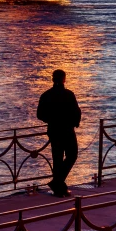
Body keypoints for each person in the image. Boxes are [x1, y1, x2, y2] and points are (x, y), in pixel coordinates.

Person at [36, 69, 81, 197]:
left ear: (52, 79)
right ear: (64, 79)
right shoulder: (69, 94)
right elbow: (77, 112)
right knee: (72, 155)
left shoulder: (46, 95)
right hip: (67, 130)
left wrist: (51, 120)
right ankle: (58, 183)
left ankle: (58, 185)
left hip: (54, 130)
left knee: (57, 158)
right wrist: (74, 123)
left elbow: (40, 114)